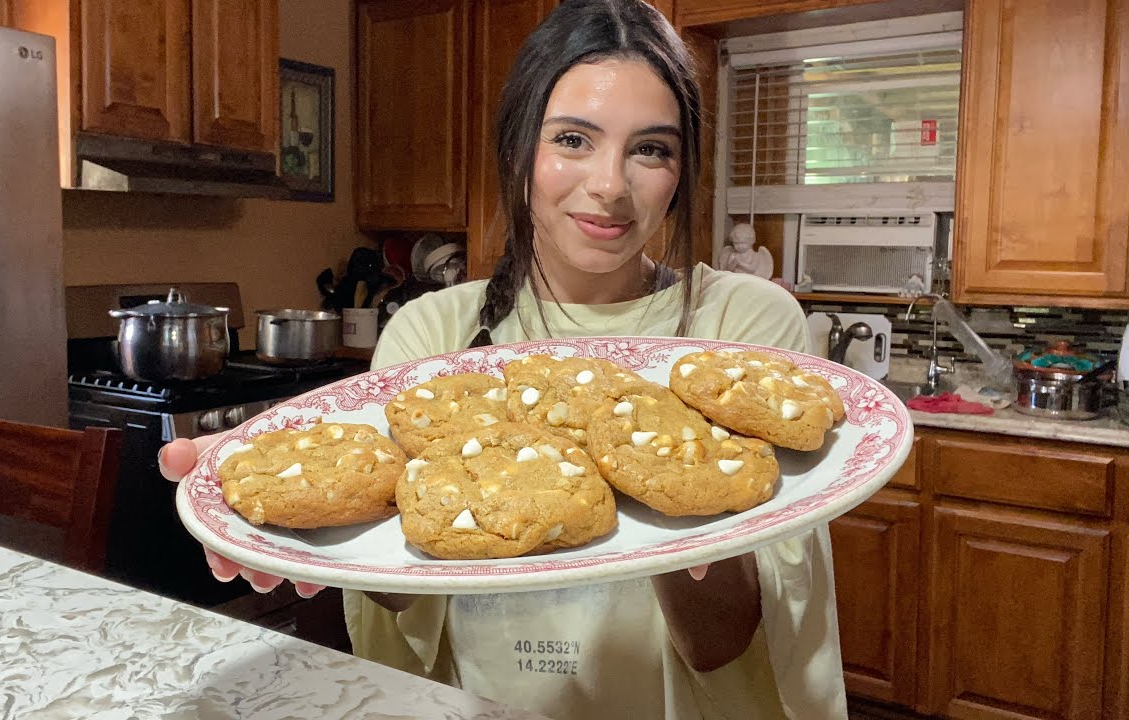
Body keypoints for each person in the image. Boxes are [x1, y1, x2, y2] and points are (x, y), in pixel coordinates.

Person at [159, 1, 847, 717]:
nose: (611, 185)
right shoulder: (435, 338)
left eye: (652, 149)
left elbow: (725, 642)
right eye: (574, 139)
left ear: (681, 172)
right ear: (520, 149)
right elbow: (402, 588)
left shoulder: (739, 332)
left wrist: (682, 507)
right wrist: (302, 531)